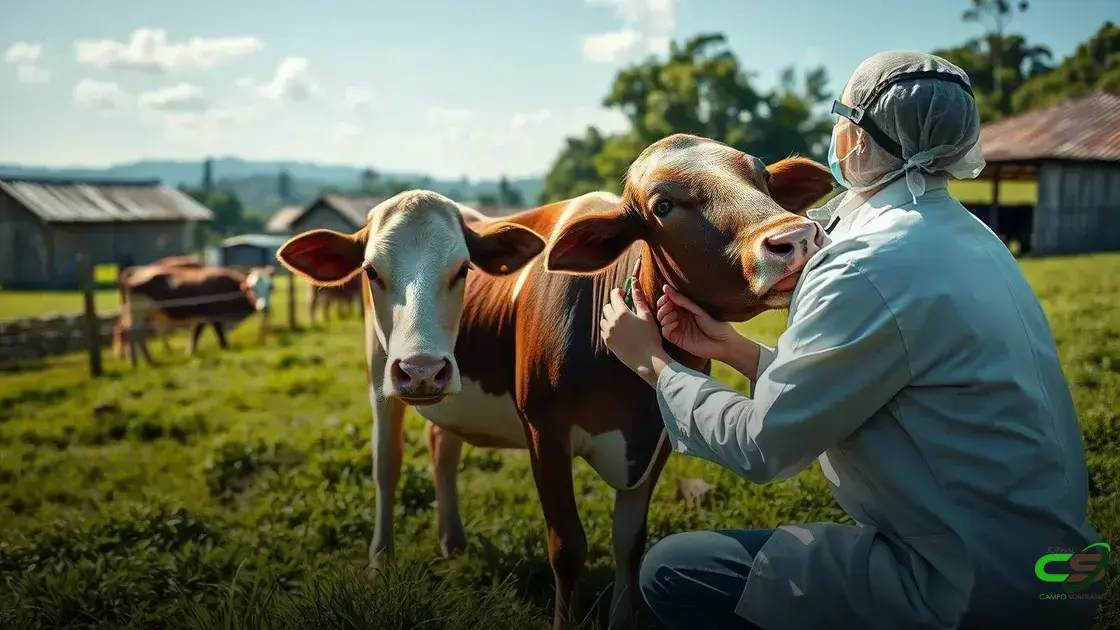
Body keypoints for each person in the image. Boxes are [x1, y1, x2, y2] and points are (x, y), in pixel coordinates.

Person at [598, 50, 1103, 630]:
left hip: (968, 589)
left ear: (856, 139)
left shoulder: (861, 265)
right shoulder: (974, 238)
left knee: (674, 570)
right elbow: (865, 378)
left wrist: (655, 365)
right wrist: (731, 348)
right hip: (1062, 574)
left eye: (843, 117)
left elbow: (766, 447)